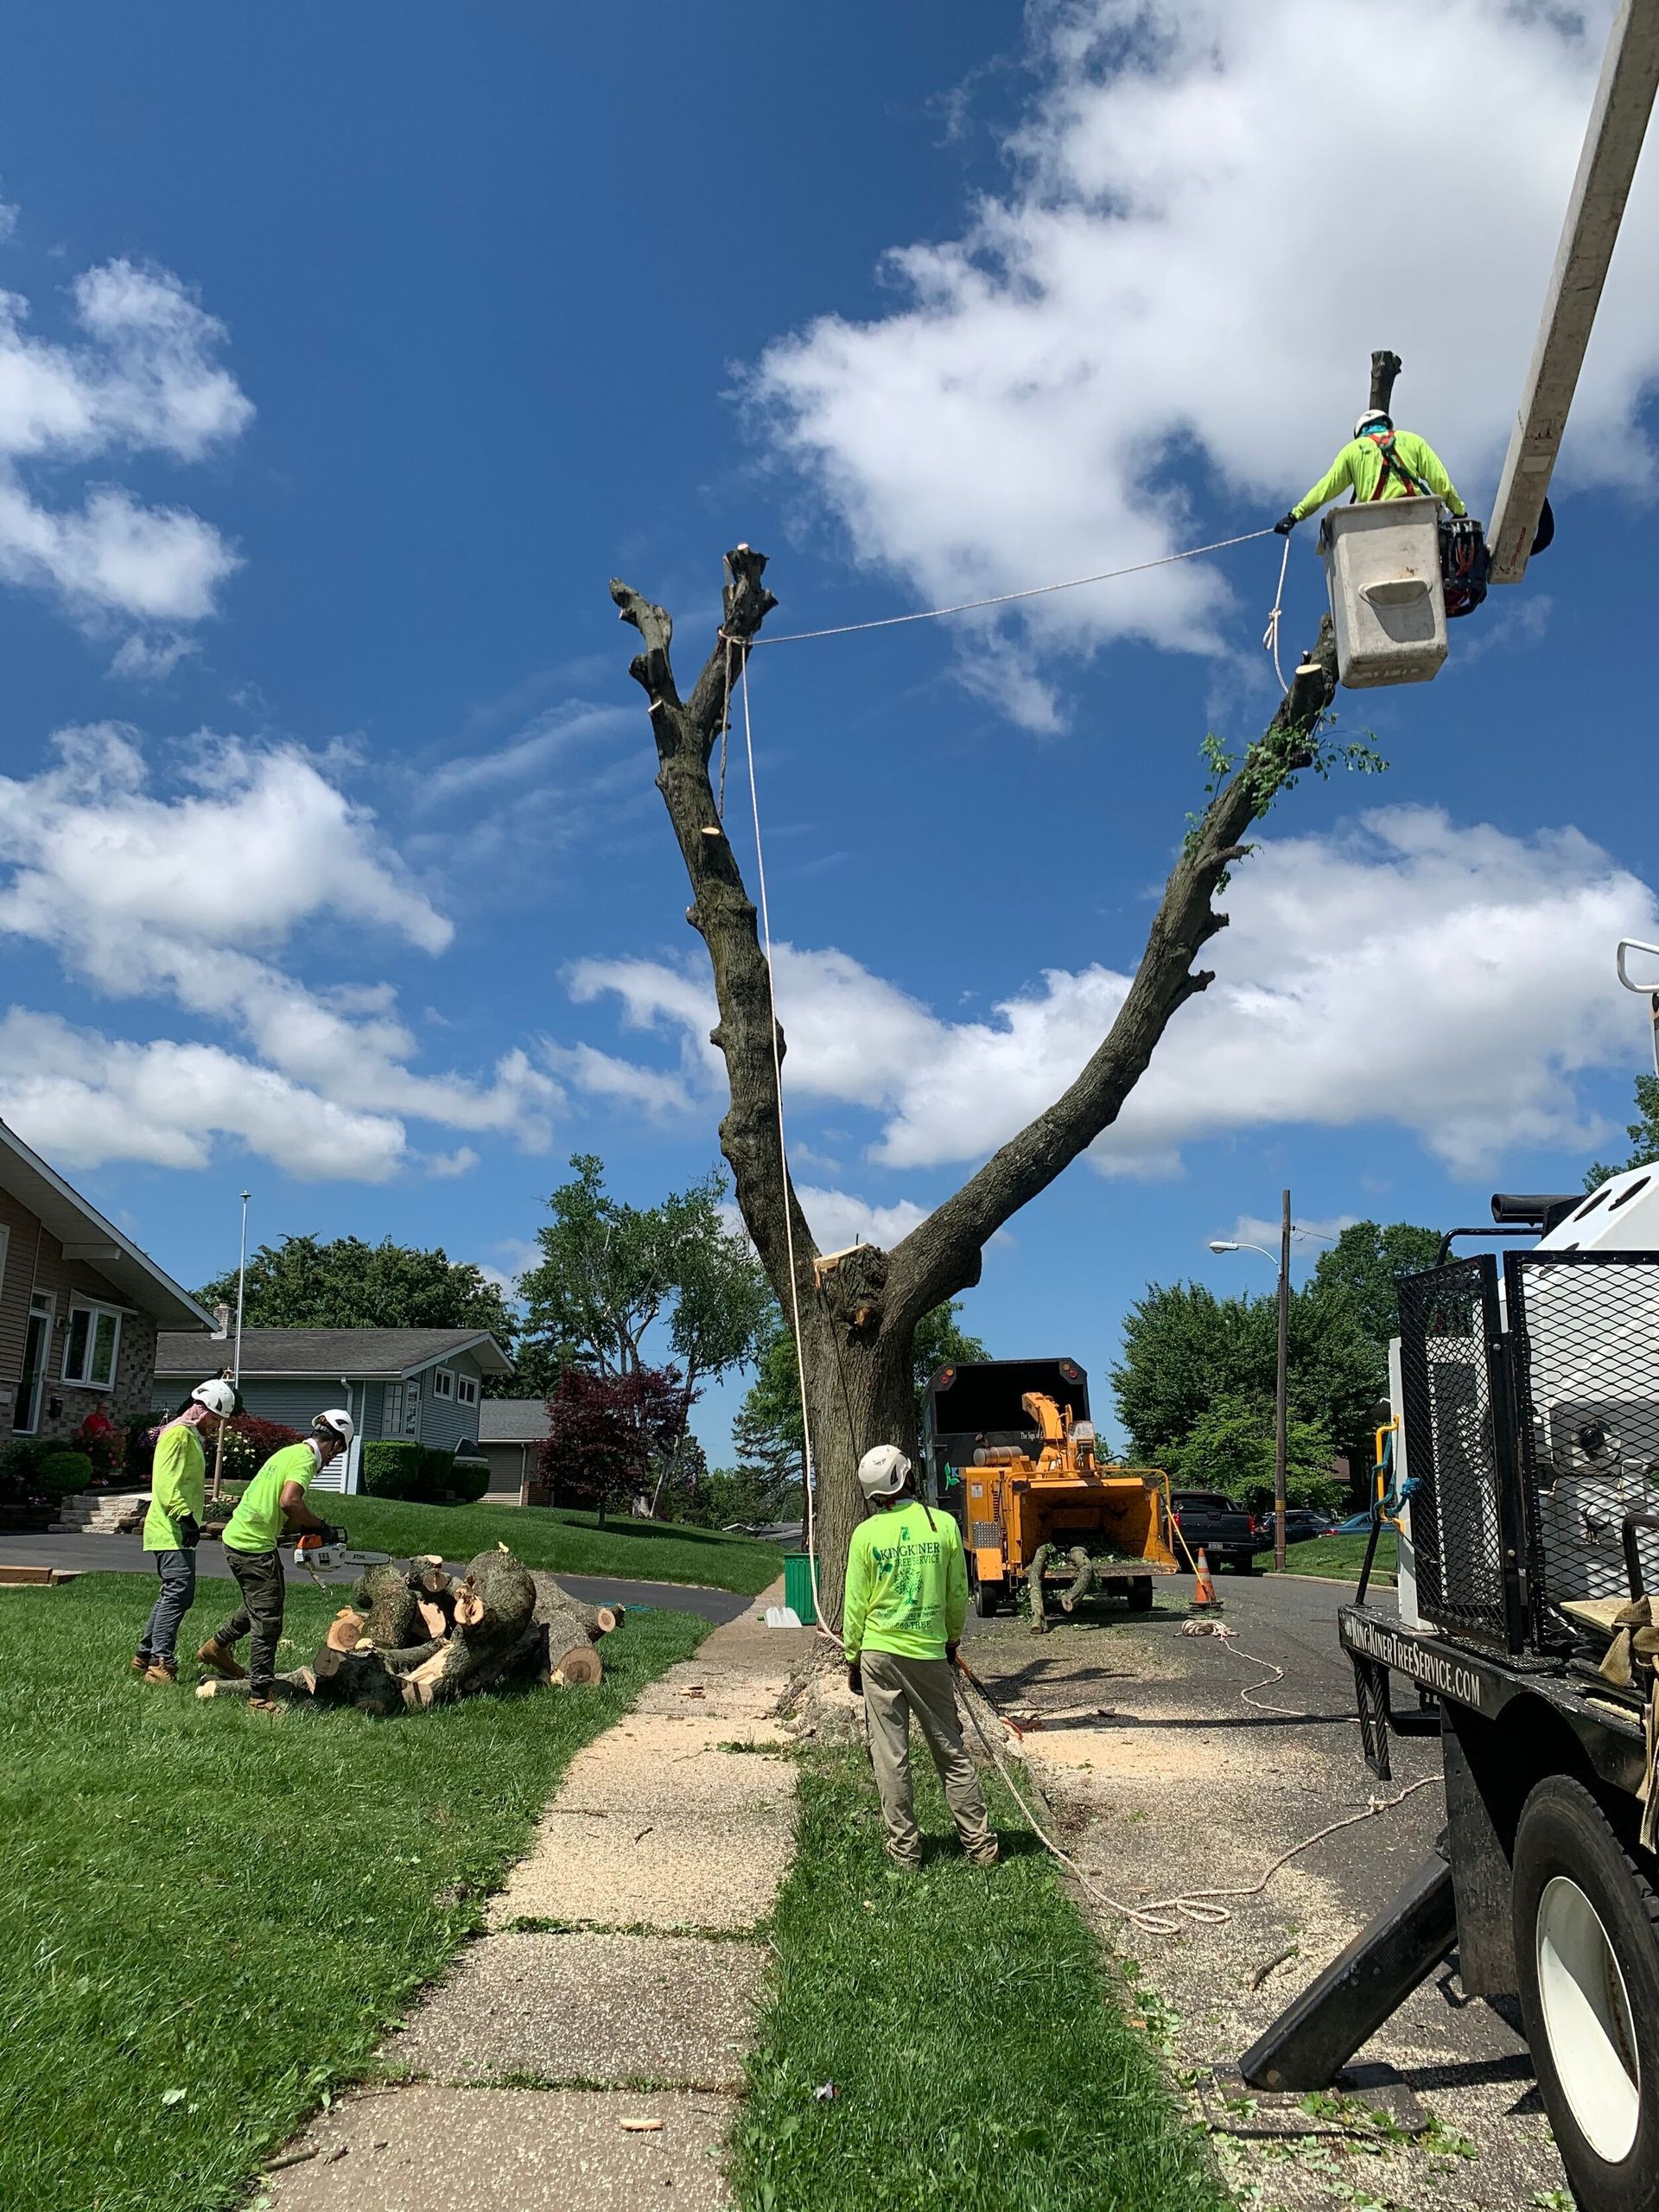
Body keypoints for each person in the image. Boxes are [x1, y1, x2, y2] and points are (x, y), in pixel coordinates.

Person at [842, 1444, 998, 1871]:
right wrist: (951, 1641)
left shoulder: (865, 1535)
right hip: (928, 1655)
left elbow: (854, 1605)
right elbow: (956, 1595)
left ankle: (905, 1854)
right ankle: (981, 1847)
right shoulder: (943, 1525)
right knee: (950, 1749)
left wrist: (853, 1658)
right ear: (907, 1477)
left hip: (877, 1652)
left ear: (874, 1494)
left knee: (890, 1756)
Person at [198, 1409, 353, 1713]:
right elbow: (289, 1501)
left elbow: (279, 1504)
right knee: (268, 1620)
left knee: (264, 1601)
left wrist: (303, 1528)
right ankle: (259, 1697)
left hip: (242, 1537)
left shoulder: (291, 1452)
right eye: (338, 1452)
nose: (334, 1459)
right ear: (335, 1444)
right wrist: (319, 1526)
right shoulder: (307, 1459)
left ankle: (216, 1647)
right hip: (251, 1545)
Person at [132, 1378, 234, 1685]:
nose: (216, 1426)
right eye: (216, 1419)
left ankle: (143, 1656)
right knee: (179, 1592)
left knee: (174, 1592)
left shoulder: (188, 1435)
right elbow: (165, 1484)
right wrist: (185, 1518)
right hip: (169, 1526)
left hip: (177, 1528)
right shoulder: (177, 1434)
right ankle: (161, 1664)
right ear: (203, 1411)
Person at [1275, 410, 1468, 537]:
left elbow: (1325, 488)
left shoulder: (1352, 450)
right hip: (1419, 518)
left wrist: (1294, 516)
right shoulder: (1412, 440)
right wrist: (1459, 513)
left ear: (1360, 431)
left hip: (1375, 525)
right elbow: (1440, 481)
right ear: (1386, 424)